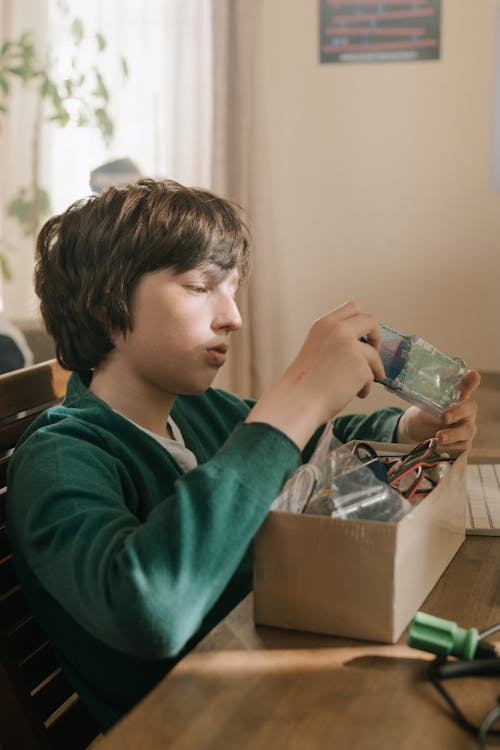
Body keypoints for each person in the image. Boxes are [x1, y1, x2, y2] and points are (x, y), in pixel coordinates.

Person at [6, 179, 480, 732]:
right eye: (200, 285)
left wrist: (408, 424)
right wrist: (294, 402)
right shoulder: (61, 455)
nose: (231, 316)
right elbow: (146, 610)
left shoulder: (200, 412)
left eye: (231, 290)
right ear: (104, 305)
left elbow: (309, 441)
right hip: (192, 726)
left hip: (271, 679)